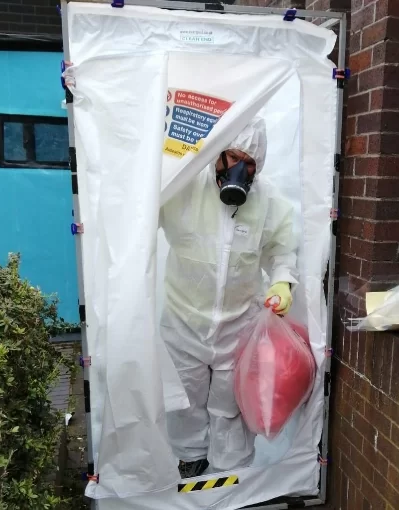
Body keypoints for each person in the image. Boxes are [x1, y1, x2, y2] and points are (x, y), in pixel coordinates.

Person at [159, 116, 298, 479]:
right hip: (183, 321)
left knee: (230, 407)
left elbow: (282, 250)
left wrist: (282, 282)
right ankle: (191, 463)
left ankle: (229, 477)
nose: (238, 169)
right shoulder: (181, 187)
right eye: (231, 157)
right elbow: (139, 214)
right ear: (216, 154)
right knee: (184, 401)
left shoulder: (269, 202)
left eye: (249, 162)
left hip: (239, 327)